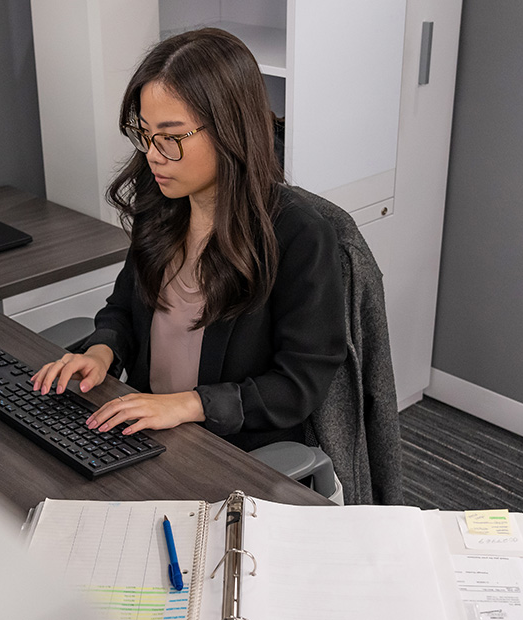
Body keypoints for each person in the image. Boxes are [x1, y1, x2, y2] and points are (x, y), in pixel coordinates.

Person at [28, 28, 349, 452]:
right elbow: (124, 307)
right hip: (144, 432)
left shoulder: (300, 235)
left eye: (172, 137)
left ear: (230, 130)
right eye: (144, 133)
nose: (153, 155)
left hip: (230, 452)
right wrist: (103, 351)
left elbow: (298, 385)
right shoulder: (161, 199)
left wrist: (190, 405)